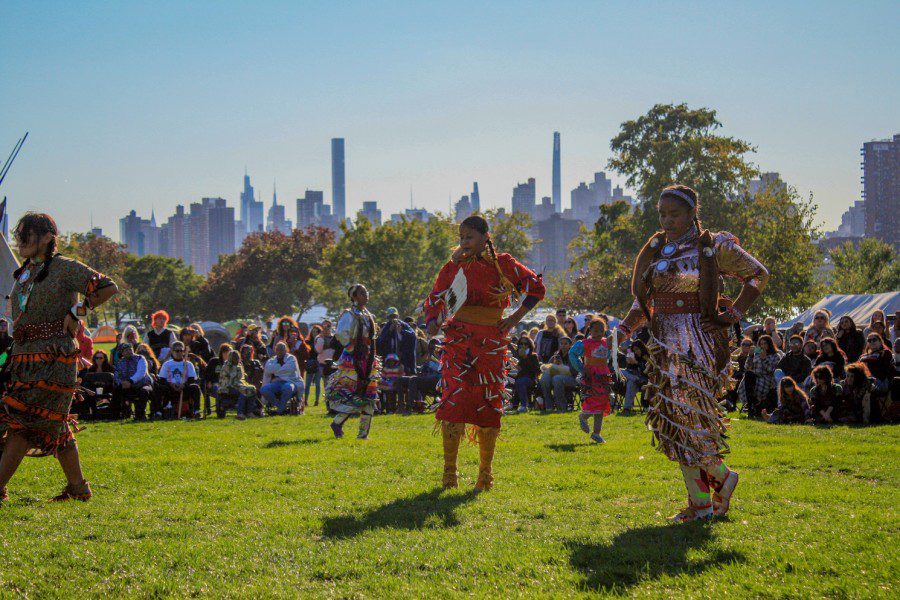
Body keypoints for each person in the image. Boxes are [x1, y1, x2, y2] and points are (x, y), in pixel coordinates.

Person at [617, 184, 768, 522]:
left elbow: (758, 275)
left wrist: (735, 313)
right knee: (673, 421)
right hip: (663, 345)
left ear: (692, 214)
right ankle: (701, 502)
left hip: (697, 343)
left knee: (692, 416)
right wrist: (625, 328)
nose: (667, 220)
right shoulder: (658, 250)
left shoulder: (712, 246)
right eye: (662, 214)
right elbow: (645, 299)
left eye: (674, 214)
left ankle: (722, 479)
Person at [0, 212, 118, 503]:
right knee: (54, 424)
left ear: (48, 237)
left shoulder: (65, 267)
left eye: (27, 235)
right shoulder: (26, 270)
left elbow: (107, 287)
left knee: (24, 423)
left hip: (54, 359)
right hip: (24, 359)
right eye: (19, 235)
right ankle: (78, 488)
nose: (21, 241)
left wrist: (77, 313)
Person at [424, 214, 545, 491]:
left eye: (469, 237)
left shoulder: (503, 264)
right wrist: (432, 320)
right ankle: (449, 473)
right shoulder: (453, 266)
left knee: (488, 405)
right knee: (453, 403)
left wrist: (514, 318)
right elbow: (435, 296)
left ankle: (485, 474)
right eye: (461, 237)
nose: (464, 242)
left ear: (485, 237)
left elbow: (536, 289)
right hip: (457, 344)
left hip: (491, 343)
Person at [326, 285, 380, 439]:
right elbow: (341, 334)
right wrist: (353, 348)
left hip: (368, 359)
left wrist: (368, 351)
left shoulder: (368, 315)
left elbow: (372, 337)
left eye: (366, 292)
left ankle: (363, 434)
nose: (366, 295)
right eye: (362, 293)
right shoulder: (349, 314)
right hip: (353, 359)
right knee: (352, 396)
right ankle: (337, 423)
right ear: (354, 297)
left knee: (369, 397)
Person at [570, 317, 613, 443]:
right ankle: (583, 416)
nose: (599, 333)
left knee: (603, 401)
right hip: (591, 376)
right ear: (590, 330)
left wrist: (606, 365)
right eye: (596, 330)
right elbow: (572, 353)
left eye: (602, 330)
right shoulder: (585, 343)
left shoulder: (606, 342)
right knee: (593, 400)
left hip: (604, 375)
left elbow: (609, 356)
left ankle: (596, 433)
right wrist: (581, 368)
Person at [740, 335, 783, 417]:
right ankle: (751, 405)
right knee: (748, 374)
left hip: (768, 378)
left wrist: (765, 359)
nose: (763, 346)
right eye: (761, 344)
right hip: (754, 377)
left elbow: (772, 370)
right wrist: (750, 356)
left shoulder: (776, 356)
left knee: (752, 381)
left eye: (765, 344)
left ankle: (751, 406)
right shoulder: (756, 354)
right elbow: (747, 367)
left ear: (769, 344)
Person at [157, 341, 201, 419]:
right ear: (172, 352)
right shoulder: (167, 364)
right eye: (177, 351)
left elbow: (192, 379)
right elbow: (162, 379)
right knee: (159, 388)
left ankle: (196, 411)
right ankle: (158, 412)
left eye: (181, 350)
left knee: (195, 387)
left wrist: (184, 385)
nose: (179, 352)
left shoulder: (188, 364)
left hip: (184, 389)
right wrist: (171, 384)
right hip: (170, 390)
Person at [261, 341, 304, 415]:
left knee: (288, 388)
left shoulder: (291, 358)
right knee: (264, 389)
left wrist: (276, 370)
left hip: (290, 381)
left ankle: (280, 410)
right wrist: (282, 368)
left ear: (286, 350)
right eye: (278, 349)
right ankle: (281, 407)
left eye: (282, 349)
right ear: (275, 350)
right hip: (276, 383)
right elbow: (268, 369)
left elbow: (290, 368)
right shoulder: (271, 360)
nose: (280, 351)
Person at [112, 342, 153, 420]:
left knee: (144, 391)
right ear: (122, 352)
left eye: (130, 349)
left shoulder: (140, 358)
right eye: (126, 350)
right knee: (117, 389)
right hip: (127, 385)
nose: (129, 351)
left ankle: (140, 415)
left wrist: (130, 381)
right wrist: (122, 383)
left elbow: (141, 373)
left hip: (143, 384)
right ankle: (117, 414)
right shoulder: (120, 362)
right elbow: (116, 376)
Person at [217, 345, 258, 420]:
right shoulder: (226, 366)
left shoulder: (239, 365)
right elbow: (229, 379)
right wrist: (240, 385)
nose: (237, 359)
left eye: (237, 357)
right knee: (243, 391)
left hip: (238, 385)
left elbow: (241, 378)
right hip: (227, 386)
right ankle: (240, 413)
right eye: (235, 357)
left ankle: (249, 411)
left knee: (252, 389)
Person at [538, 336, 577, 412]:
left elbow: (574, 371)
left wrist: (562, 366)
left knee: (557, 379)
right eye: (561, 344)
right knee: (544, 378)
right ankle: (549, 406)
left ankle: (561, 407)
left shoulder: (573, 356)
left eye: (566, 344)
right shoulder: (556, 356)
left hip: (572, 379)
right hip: (555, 377)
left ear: (570, 345)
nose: (563, 345)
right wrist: (553, 364)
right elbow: (547, 368)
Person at [376, 307, 417, 378]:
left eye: (394, 316)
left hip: (404, 360)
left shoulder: (404, 325)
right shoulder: (386, 327)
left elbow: (413, 336)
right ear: (388, 317)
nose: (393, 318)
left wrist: (402, 331)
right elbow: (381, 341)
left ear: (397, 316)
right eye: (391, 316)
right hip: (390, 361)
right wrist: (389, 331)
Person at [512, 335, 541, 413]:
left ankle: (524, 405)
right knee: (514, 381)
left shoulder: (533, 356)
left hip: (530, 379)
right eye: (521, 344)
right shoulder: (516, 355)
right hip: (516, 378)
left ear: (529, 345)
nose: (523, 346)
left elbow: (536, 370)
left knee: (520, 381)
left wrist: (525, 357)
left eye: (526, 344)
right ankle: (513, 404)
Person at [621, 339, 649, 412]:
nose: (636, 351)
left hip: (645, 380)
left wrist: (636, 362)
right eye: (634, 350)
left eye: (637, 349)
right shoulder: (635, 355)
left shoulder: (647, 355)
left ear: (641, 348)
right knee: (630, 381)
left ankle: (627, 407)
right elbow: (630, 370)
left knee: (630, 381)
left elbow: (646, 370)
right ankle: (627, 408)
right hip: (636, 379)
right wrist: (629, 363)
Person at [304, 324, 323, 406]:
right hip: (310, 363)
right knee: (307, 383)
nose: (314, 333)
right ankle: (305, 400)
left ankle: (317, 400)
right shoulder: (307, 342)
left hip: (319, 363)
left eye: (316, 331)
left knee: (318, 383)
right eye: (313, 331)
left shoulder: (321, 341)